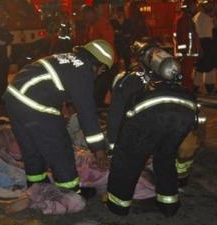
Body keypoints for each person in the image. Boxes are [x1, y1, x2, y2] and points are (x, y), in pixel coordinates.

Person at [4, 39, 114, 197]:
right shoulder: (83, 71)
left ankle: (37, 187)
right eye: (102, 71)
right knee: (60, 148)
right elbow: (87, 115)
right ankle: (70, 192)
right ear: (101, 66)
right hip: (33, 102)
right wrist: (99, 151)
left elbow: (55, 84)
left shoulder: (70, 58)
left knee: (32, 148)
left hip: (14, 96)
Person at [106, 42, 199, 217]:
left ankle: (118, 206)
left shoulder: (126, 78)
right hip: (186, 109)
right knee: (165, 157)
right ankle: (169, 205)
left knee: (127, 160)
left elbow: (116, 116)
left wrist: (113, 146)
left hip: (151, 115)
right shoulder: (167, 76)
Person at [82, 4, 117, 107]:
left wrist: (102, 62)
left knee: (101, 90)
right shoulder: (92, 25)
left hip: (107, 63)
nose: (85, 18)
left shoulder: (101, 24)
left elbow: (109, 41)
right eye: (84, 16)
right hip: (102, 63)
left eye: (87, 15)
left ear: (93, 13)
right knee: (104, 89)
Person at [174, 0, 199, 92]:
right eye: (194, 6)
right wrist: (183, 52)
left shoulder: (185, 19)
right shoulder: (184, 20)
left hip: (188, 53)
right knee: (186, 76)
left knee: (187, 76)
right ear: (188, 7)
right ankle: (186, 93)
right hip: (186, 54)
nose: (195, 8)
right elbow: (183, 38)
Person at [193, 0, 215, 94]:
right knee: (205, 66)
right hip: (204, 43)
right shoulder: (202, 17)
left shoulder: (200, 16)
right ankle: (203, 86)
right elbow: (198, 33)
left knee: (205, 66)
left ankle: (203, 86)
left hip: (205, 42)